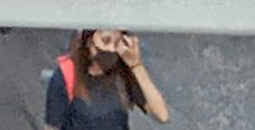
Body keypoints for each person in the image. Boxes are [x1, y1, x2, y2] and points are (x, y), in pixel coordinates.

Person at [38, 29, 169, 128]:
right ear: (90, 42)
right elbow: (51, 127)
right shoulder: (66, 75)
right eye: (106, 41)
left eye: (117, 43)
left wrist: (136, 65)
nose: (112, 49)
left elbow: (161, 115)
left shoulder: (122, 74)